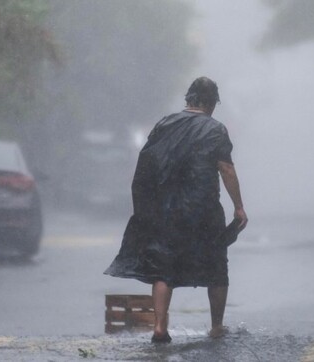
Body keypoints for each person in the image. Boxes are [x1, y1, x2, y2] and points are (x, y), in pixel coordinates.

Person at [104, 76, 248, 343]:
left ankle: (160, 326)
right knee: (216, 266)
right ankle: (216, 327)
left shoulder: (164, 125)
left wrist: (145, 208)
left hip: (167, 210)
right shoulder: (216, 129)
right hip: (204, 209)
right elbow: (226, 169)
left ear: (189, 99)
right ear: (212, 103)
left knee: (164, 268)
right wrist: (239, 207)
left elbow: (145, 165)